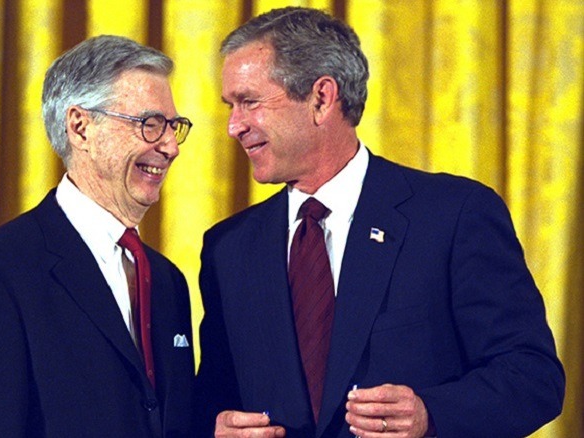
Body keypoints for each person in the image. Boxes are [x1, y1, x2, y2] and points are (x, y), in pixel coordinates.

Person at [194, 7, 564, 438]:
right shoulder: (230, 247)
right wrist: (213, 427)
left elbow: (533, 377)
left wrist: (430, 414)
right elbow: (212, 399)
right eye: (230, 106)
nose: (233, 126)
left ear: (321, 98)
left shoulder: (454, 216)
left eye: (249, 102)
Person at [0, 35, 195, 437]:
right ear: (80, 127)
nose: (171, 147)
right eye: (150, 125)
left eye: (173, 127)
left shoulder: (167, 280)